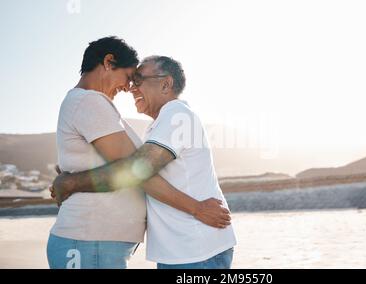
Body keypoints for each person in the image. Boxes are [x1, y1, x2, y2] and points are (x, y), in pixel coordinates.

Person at [47, 37, 230, 269]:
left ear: (165, 84)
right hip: (91, 241)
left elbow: (136, 169)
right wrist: (69, 179)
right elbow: (134, 169)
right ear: (108, 62)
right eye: (129, 78)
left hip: (190, 249)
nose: (129, 88)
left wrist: (71, 181)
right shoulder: (89, 101)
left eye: (137, 80)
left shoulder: (174, 115)